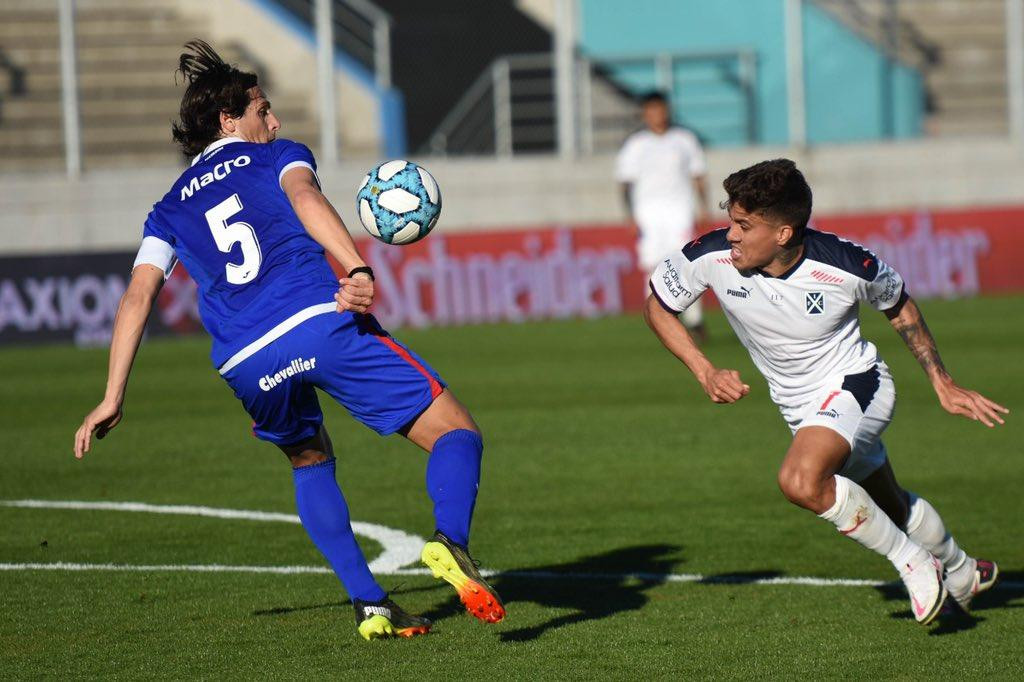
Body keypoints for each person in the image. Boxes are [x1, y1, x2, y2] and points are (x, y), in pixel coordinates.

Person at [71, 40, 504, 640]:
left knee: (309, 458)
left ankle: (371, 606)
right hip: (315, 321)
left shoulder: (166, 210)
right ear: (229, 120)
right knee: (457, 433)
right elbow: (305, 198)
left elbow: (136, 297)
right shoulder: (278, 156)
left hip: (245, 359)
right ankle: (451, 543)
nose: (273, 121)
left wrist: (112, 394)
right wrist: (355, 267)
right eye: (262, 109)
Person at [644, 159, 1007, 624]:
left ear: (783, 233)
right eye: (730, 219)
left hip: (857, 384)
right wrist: (704, 370)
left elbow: (900, 307)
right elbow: (658, 307)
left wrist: (942, 381)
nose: (730, 234)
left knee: (800, 481)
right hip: (798, 406)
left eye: (743, 225)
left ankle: (913, 562)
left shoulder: (845, 263)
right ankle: (961, 571)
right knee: (890, 504)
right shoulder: (709, 256)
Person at [616, 91, 711, 343]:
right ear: (645, 113)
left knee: (685, 263)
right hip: (647, 213)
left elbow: (698, 175)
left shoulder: (684, 139)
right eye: (651, 110)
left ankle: (695, 319)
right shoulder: (636, 144)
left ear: (666, 110)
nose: (656, 115)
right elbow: (625, 184)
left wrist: (703, 206)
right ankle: (658, 320)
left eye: (660, 109)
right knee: (652, 265)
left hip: (679, 210)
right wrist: (630, 217)